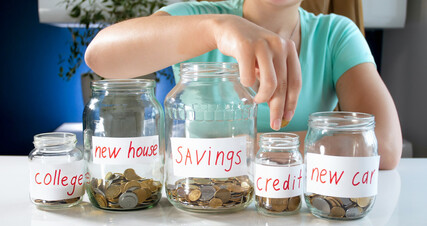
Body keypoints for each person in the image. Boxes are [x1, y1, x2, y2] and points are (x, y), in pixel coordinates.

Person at [84, 0, 402, 169]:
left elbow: (384, 146)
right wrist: (218, 29)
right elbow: (100, 56)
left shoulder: (336, 35)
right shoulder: (201, 18)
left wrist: (242, 149)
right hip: (195, 207)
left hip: (295, 211)